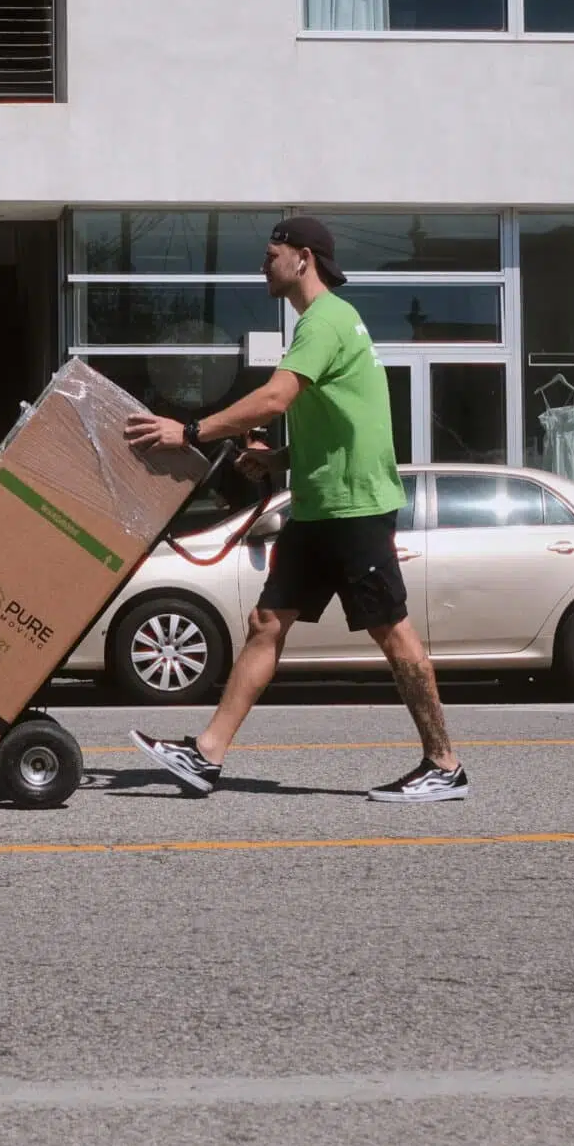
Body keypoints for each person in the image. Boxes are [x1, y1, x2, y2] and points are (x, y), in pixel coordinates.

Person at [121, 217, 467, 803]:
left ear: (303, 258)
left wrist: (192, 430)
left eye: (271, 253)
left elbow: (277, 396)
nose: (264, 264)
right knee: (266, 624)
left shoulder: (325, 320)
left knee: (392, 632)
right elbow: (341, 422)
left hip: (354, 509)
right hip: (318, 508)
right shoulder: (327, 323)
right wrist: (280, 460)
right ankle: (207, 755)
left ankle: (444, 765)